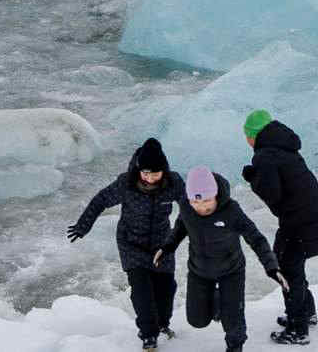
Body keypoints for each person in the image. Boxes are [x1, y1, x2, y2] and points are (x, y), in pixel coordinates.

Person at [154, 166, 287, 352]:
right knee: (196, 321)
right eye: (195, 202)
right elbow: (180, 228)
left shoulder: (231, 210)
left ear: (216, 194)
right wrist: (167, 247)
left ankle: (235, 347)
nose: (202, 207)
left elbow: (256, 238)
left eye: (207, 200)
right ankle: (217, 299)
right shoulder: (186, 206)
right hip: (199, 270)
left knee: (233, 321)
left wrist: (271, 267)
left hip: (231, 270)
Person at [68, 138, 184, 351]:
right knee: (142, 291)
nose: (150, 179)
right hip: (132, 244)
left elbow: (189, 207)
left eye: (155, 174)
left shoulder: (174, 183)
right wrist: (83, 226)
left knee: (166, 290)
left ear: (164, 171)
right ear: (139, 170)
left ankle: (162, 325)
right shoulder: (126, 183)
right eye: (146, 173)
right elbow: (101, 200)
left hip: (162, 244)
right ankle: (148, 335)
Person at [240, 109, 318, 346]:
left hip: (300, 225)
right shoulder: (286, 149)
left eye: (247, 135)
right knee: (293, 267)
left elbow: (272, 195)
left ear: (253, 135)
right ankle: (306, 313)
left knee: (285, 271)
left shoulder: (265, 156)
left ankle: (298, 329)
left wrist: (253, 178)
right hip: (314, 219)